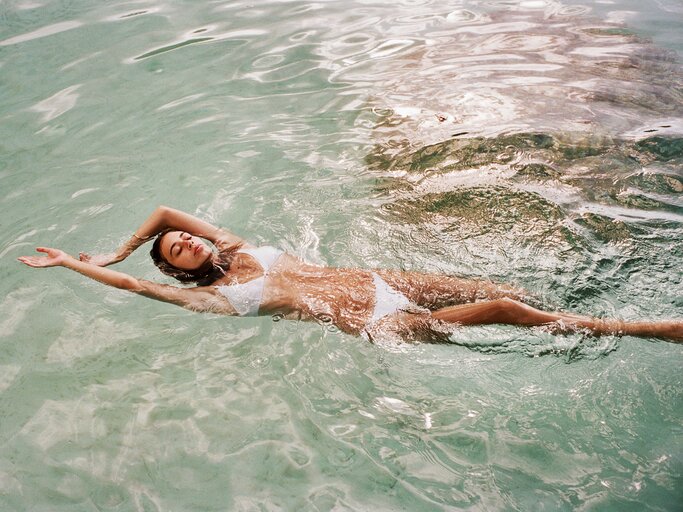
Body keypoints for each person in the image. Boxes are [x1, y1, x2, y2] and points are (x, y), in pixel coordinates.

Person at [18, 206, 683, 343]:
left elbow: (163, 208)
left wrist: (127, 242)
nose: (186, 238)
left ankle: (580, 317)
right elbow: (137, 288)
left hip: (388, 278)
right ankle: (646, 329)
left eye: (188, 236)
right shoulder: (220, 301)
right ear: (177, 269)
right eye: (176, 249)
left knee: (506, 291)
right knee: (508, 315)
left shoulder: (242, 247)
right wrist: (84, 265)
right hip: (378, 322)